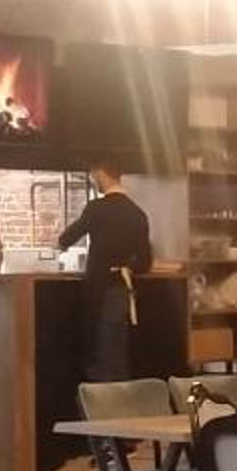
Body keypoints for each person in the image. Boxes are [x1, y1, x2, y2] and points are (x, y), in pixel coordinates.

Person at [60, 161, 154, 380]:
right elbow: (145, 262)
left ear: (101, 173)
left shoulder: (96, 208)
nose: (93, 179)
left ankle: (98, 398)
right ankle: (120, 397)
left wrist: (60, 245)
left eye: (93, 175)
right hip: (123, 291)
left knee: (99, 352)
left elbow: (66, 239)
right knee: (117, 352)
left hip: (98, 291)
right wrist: (126, 267)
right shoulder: (138, 213)